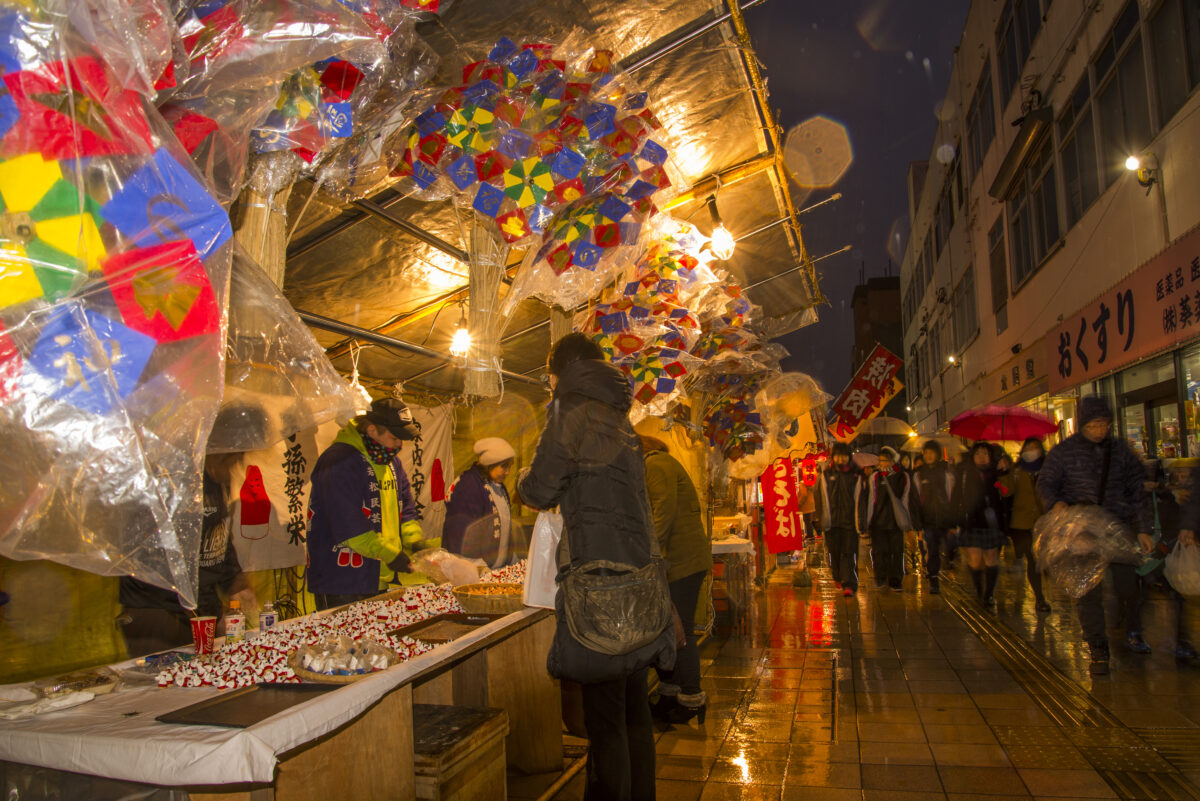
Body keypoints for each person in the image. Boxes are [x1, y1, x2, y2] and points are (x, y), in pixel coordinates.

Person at [517, 333, 671, 801]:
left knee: (604, 718)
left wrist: (524, 481)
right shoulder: (621, 420)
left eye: (549, 378)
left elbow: (542, 488)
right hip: (637, 579)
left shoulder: (569, 410)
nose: (548, 387)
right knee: (632, 710)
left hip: (598, 583)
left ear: (560, 372)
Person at [1038, 396, 1152, 675]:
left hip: (1117, 527)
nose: (1100, 430)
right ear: (1083, 424)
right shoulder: (1064, 452)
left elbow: (1138, 492)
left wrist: (1145, 529)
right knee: (1087, 590)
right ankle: (1097, 648)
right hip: (1082, 532)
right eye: (1094, 424)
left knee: (1128, 586)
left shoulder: (1121, 452)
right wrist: (1056, 503)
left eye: (1105, 424)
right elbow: (1046, 483)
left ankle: (1128, 625)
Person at [120, 455, 255, 656]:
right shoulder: (171, 478)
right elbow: (157, 556)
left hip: (201, 607)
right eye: (231, 458)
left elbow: (220, 536)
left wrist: (234, 582)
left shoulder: (218, 481)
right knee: (168, 682)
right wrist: (204, 612)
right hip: (160, 610)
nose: (236, 465)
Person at [306, 398, 426, 611]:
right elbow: (349, 524)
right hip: (342, 582)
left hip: (379, 577)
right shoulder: (338, 461)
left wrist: (414, 541)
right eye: (395, 438)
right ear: (372, 430)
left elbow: (405, 506)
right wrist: (391, 554)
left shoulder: (392, 462)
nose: (399, 446)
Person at [640, 435, 711, 725]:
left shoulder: (656, 465)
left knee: (681, 630)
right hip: (679, 561)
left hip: (681, 563)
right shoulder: (660, 463)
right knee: (666, 629)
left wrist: (647, 556)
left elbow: (662, 514)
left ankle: (692, 698)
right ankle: (670, 694)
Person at [443, 437, 518, 569]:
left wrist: (511, 558)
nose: (508, 472)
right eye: (504, 466)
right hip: (471, 570)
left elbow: (505, 526)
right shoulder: (467, 487)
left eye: (510, 466)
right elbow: (460, 533)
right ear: (490, 463)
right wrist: (477, 568)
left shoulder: (497, 485)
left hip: (494, 570)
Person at [953, 441, 1008, 608]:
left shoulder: (998, 472)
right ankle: (979, 589)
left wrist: (1005, 471)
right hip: (972, 521)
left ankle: (988, 594)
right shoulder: (964, 473)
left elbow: (1006, 494)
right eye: (978, 454)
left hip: (992, 522)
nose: (982, 457)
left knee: (991, 559)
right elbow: (957, 497)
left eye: (985, 454)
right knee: (975, 561)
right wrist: (956, 521)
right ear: (973, 456)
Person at [999, 437, 1050, 612]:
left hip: (1046, 520)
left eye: (1035, 447)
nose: (1032, 450)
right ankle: (1040, 598)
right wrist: (1004, 474)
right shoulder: (1016, 470)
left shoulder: (1049, 468)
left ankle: (1044, 588)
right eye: (1028, 447)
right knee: (1033, 560)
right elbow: (1005, 492)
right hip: (1023, 524)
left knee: (1045, 559)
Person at [857, 446, 915, 591]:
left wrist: (908, 522)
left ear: (893, 460)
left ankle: (896, 580)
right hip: (879, 521)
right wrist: (867, 521)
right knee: (879, 551)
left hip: (896, 521)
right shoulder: (875, 477)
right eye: (881, 460)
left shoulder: (903, 476)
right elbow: (871, 500)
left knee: (896, 551)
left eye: (887, 460)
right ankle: (880, 578)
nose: (884, 463)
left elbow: (906, 500)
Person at [815, 442, 861, 596]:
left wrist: (861, 520)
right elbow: (819, 498)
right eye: (838, 456)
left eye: (844, 456)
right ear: (833, 457)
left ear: (849, 457)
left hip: (850, 522)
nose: (841, 459)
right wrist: (819, 518)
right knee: (834, 552)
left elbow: (862, 498)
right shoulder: (826, 475)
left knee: (848, 553)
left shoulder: (855, 475)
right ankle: (838, 577)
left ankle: (849, 584)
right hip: (832, 521)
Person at [912, 440, 956, 594]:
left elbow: (951, 495)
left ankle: (949, 560)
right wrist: (917, 520)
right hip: (928, 519)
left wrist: (953, 518)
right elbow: (916, 498)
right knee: (932, 550)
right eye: (926, 453)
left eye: (931, 453)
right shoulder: (919, 474)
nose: (929, 456)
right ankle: (934, 579)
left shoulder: (945, 472)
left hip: (945, 517)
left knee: (951, 545)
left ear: (937, 454)